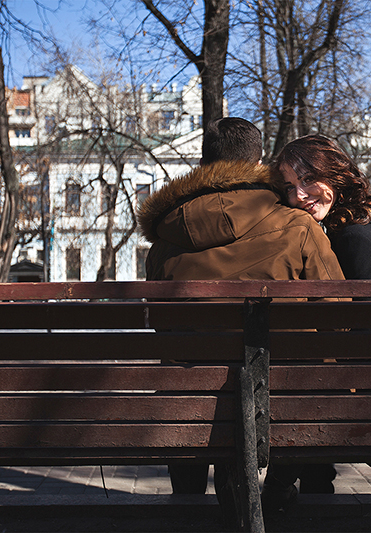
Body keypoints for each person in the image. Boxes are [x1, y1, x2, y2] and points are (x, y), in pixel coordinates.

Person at [136, 119, 345, 496]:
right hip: (277, 395)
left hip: (189, 396)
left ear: (204, 165)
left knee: (188, 383)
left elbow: (161, 323)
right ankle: (274, 491)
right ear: (259, 163)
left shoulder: (165, 239)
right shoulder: (297, 225)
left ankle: (188, 503)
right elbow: (338, 315)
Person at [265, 134, 371, 499]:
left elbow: (364, 335)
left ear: (336, 176)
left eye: (308, 179)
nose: (299, 195)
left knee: (310, 395)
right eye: (290, 187)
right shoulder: (359, 226)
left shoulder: (354, 238)